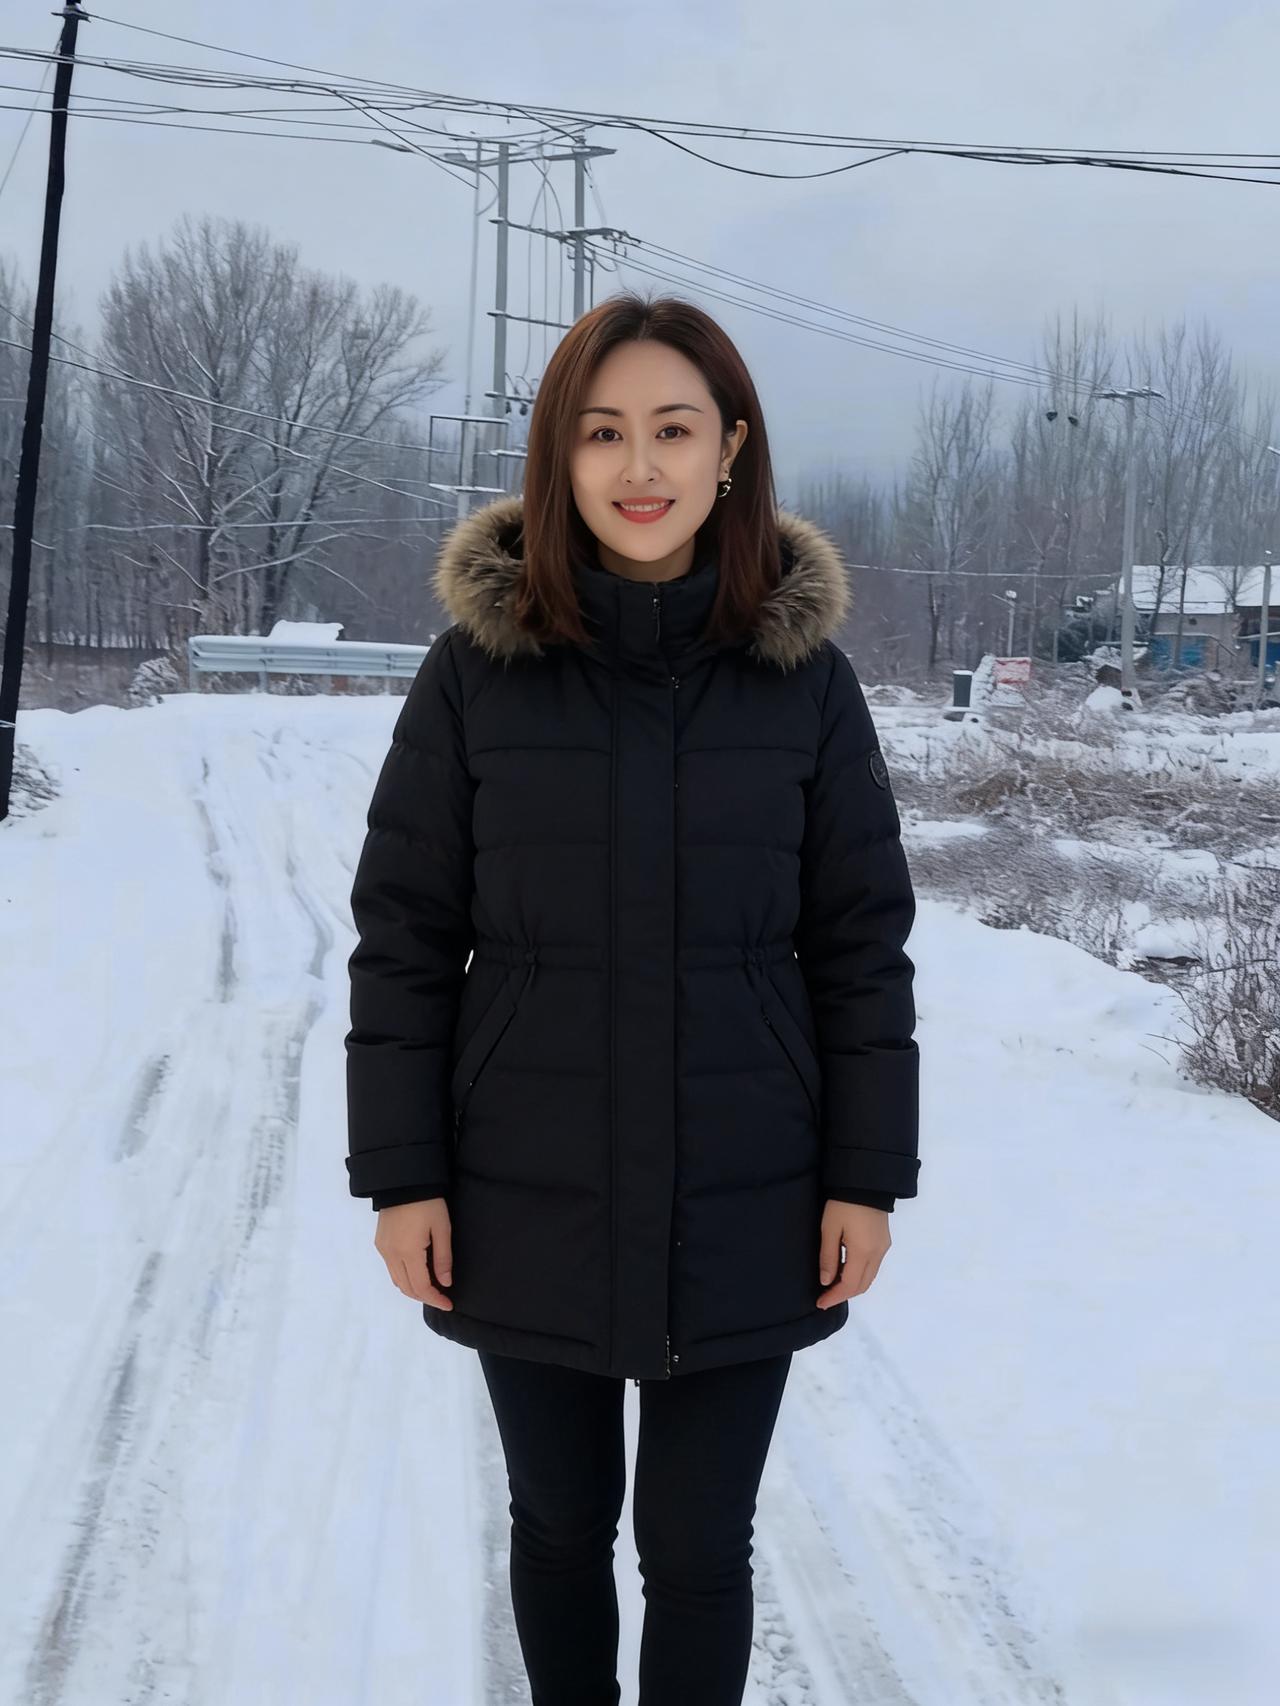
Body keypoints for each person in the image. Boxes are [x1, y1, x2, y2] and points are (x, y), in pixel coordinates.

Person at [343, 292, 921, 1705]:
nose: (640, 466)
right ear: (557, 456)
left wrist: (866, 1175)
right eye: (601, 433)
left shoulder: (806, 683)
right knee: (558, 1529)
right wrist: (403, 1176)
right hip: (523, 1186)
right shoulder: (478, 673)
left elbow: (861, 945)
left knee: (699, 1545)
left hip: (749, 1191)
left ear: (732, 449)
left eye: (674, 428)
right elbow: (404, 935)